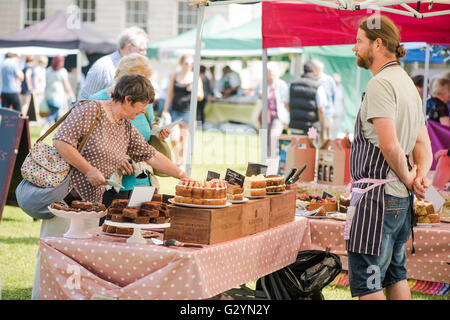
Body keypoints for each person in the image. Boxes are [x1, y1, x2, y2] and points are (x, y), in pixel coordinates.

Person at [30, 74, 189, 300]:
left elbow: (150, 155)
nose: (143, 112)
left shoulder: (124, 125)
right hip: (64, 200)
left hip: (92, 205)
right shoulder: (89, 110)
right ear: (127, 99)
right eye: (141, 107)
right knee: (56, 258)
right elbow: (61, 141)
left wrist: (182, 175)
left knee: (80, 262)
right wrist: (88, 169)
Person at [347, 15, 432, 300]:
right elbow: (424, 145)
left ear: (378, 43)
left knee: (368, 283)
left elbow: (390, 145)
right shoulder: (407, 83)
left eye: (359, 41)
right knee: (396, 274)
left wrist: (411, 179)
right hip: (398, 202)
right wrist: (420, 176)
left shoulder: (380, 84)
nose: (354, 48)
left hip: (377, 201)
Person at [89, 53, 170, 214]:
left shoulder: (143, 99)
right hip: (111, 183)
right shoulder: (97, 100)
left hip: (142, 178)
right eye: (142, 80)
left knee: (139, 224)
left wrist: (157, 130)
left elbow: (149, 125)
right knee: (112, 227)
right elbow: (89, 143)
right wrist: (114, 158)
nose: (145, 85)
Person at [78, 26, 149, 100]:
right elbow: (85, 100)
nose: (145, 53)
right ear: (129, 47)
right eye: (141, 50)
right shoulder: (102, 67)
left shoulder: (140, 68)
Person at [162, 54, 203, 170]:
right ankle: (178, 159)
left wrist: (193, 90)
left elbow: (201, 96)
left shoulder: (195, 77)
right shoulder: (175, 76)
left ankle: (182, 163)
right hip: (175, 110)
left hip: (187, 111)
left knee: (184, 138)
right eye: (187, 63)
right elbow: (170, 93)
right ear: (181, 63)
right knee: (174, 138)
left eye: (191, 63)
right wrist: (165, 109)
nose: (189, 65)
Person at [255, 64, 289, 158]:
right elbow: (255, 98)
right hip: (265, 116)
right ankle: (265, 162)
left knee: (273, 139)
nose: (269, 74)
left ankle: (272, 163)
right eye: (267, 71)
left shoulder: (281, 85)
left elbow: (286, 102)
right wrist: (259, 95)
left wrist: (287, 118)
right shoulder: (261, 84)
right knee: (264, 140)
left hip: (277, 116)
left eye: (271, 72)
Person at [287, 60, 328, 135]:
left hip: (295, 126)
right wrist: (318, 121)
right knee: (312, 146)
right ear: (314, 71)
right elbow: (321, 109)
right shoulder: (318, 86)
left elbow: (286, 103)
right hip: (312, 127)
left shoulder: (292, 84)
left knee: (295, 146)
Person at [42, 56, 75, 127]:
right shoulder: (62, 71)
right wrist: (71, 93)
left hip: (48, 94)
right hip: (57, 96)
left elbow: (46, 83)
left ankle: (59, 131)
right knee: (52, 114)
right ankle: (44, 129)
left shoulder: (48, 70)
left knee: (56, 115)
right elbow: (66, 84)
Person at [312, 59, 337, 142]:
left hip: (326, 115)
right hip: (312, 117)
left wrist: (330, 110)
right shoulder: (310, 79)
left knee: (325, 139)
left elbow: (333, 96)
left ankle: (324, 154)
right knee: (312, 138)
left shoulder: (329, 80)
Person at [33, 56, 48, 121]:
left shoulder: (44, 70)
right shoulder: (37, 69)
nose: (46, 64)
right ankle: (39, 120)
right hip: (38, 91)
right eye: (45, 62)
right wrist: (36, 90)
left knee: (43, 107)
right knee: (38, 106)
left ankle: (43, 120)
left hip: (44, 91)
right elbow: (35, 80)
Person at [332, 73, 346, 138]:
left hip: (339, 112)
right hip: (331, 113)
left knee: (336, 129)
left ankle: (332, 142)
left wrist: (343, 110)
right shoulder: (329, 87)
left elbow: (342, 100)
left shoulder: (341, 88)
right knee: (330, 130)